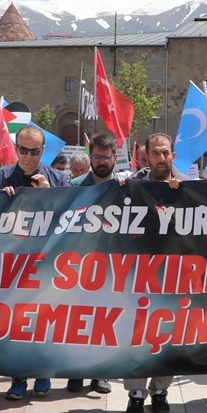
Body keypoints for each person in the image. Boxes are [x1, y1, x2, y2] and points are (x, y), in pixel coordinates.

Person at [0, 125, 68, 400]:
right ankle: (19, 377)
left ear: (43, 151)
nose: (29, 157)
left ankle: (43, 372)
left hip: (45, 264)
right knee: (15, 321)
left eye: (34, 152)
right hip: (11, 263)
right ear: (16, 148)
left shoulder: (58, 179)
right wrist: (1, 201)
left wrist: (50, 196)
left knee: (43, 320)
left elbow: (69, 222)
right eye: (23, 150)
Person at [123, 133, 186, 413]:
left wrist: (181, 195)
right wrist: (122, 187)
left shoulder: (189, 186)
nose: (161, 158)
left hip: (174, 274)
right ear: (146, 156)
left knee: (167, 335)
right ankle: (136, 395)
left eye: (166, 153)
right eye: (156, 153)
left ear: (173, 154)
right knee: (136, 336)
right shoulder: (133, 184)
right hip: (139, 274)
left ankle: (160, 390)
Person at [65, 132, 118, 396]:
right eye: (96, 156)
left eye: (105, 157)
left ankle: (100, 373)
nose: (101, 162)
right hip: (78, 264)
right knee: (77, 320)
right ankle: (74, 372)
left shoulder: (125, 188)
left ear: (114, 157)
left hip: (111, 266)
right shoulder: (75, 186)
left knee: (104, 322)